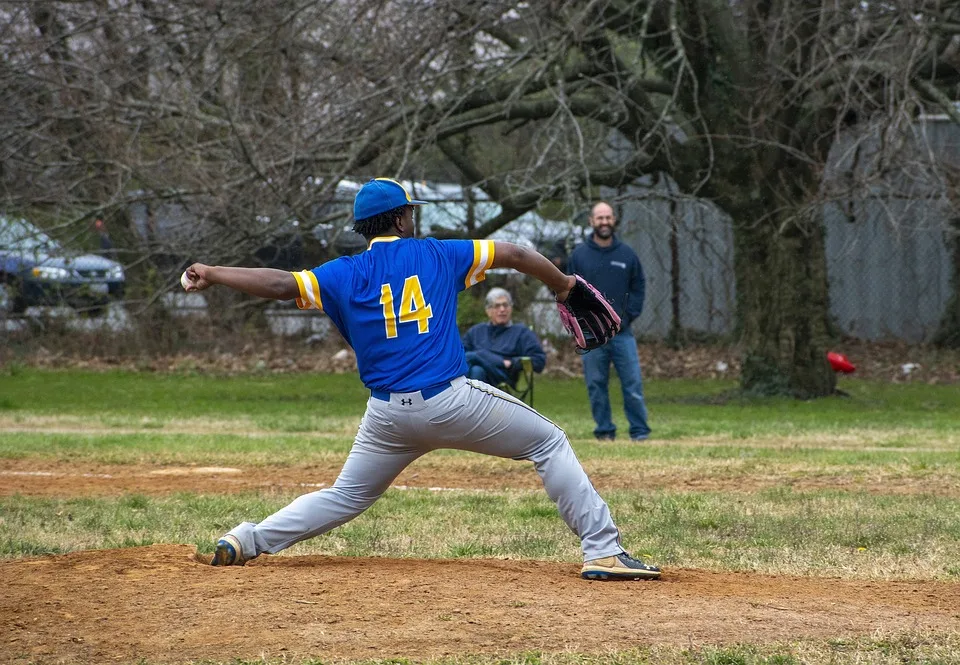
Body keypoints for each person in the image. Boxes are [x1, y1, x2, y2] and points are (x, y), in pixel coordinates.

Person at [182, 177, 660, 581]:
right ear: (399, 220)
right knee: (549, 443)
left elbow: (282, 284)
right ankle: (602, 550)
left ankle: (247, 539)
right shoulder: (436, 254)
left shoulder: (341, 273)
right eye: (408, 213)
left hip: (386, 415)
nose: (413, 219)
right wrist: (566, 285)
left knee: (345, 496)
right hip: (450, 401)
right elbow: (515, 252)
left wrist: (214, 272)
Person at [566, 201, 651, 442]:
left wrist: (627, 317)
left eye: (608, 217)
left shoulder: (627, 255)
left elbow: (638, 287)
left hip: (622, 334)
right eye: (599, 218)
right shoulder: (579, 256)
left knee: (632, 385)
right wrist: (582, 323)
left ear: (614, 220)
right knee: (595, 386)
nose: (604, 222)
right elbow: (567, 290)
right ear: (591, 222)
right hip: (592, 335)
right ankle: (604, 432)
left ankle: (640, 432)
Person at [462, 287, 546, 388]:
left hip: (503, 378)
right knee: (476, 370)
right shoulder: (476, 331)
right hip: (480, 376)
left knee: (472, 357)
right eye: (497, 306)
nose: (502, 309)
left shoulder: (521, 332)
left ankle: (456, 398)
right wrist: (499, 361)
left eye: (505, 305)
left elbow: (539, 361)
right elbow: (460, 354)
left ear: (511, 308)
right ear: (488, 311)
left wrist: (511, 363)